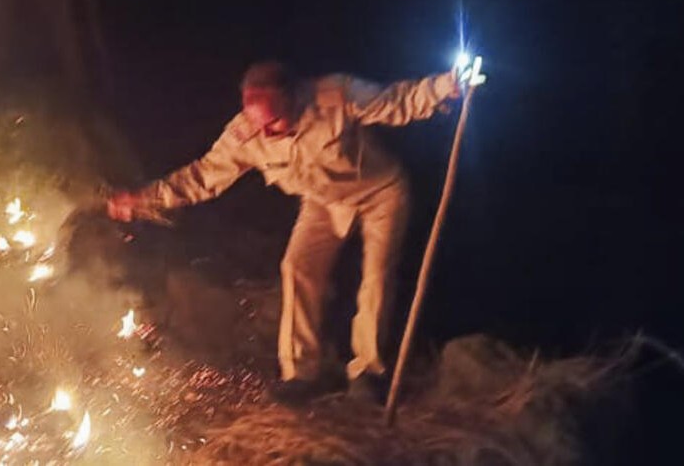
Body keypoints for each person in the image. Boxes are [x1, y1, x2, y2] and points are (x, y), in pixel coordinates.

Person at [107, 61, 462, 405]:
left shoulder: (336, 96)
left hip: (379, 193)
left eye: (274, 121)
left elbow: (395, 101)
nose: (267, 132)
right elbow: (202, 177)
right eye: (259, 123)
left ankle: (368, 372)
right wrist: (143, 199)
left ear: (294, 98)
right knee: (297, 267)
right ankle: (301, 374)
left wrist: (445, 86)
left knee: (376, 276)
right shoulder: (246, 132)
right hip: (323, 202)